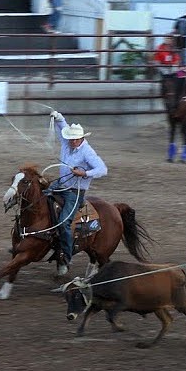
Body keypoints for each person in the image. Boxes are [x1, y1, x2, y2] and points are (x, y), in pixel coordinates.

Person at [48, 111, 108, 275]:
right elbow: (63, 127)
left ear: (81, 138)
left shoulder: (87, 152)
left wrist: (85, 174)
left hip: (76, 191)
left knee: (63, 222)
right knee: (42, 194)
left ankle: (66, 258)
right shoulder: (67, 142)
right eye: (71, 139)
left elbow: (103, 169)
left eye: (76, 139)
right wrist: (58, 117)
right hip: (62, 184)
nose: (73, 141)